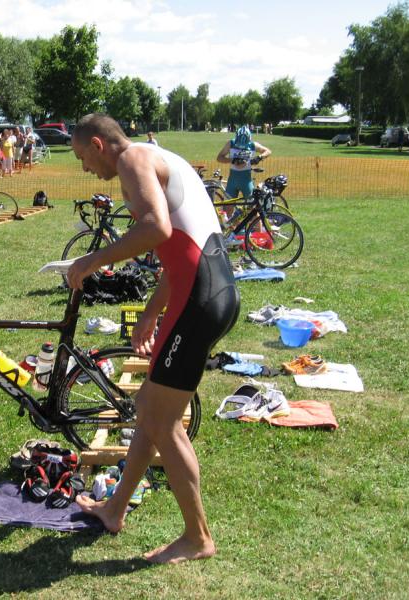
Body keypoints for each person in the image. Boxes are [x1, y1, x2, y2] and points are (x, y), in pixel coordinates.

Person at [67, 113, 239, 565]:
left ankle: (197, 538)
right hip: (205, 293)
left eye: (82, 157)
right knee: (149, 408)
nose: (85, 168)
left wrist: (91, 260)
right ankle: (114, 510)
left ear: (99, 145)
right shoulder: (157, 157)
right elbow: (180, 248)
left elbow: (156, 230)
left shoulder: (133, 160)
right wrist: (149, 313)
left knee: (163, 421)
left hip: (200, 300)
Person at [216, 125, 271, 200]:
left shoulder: (253, 145)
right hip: (232, 181)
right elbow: (219, 158)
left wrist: (259, 157)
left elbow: (268, 151)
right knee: (228, 205)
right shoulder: (230, 143)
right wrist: (232, 160)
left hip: (246, 181)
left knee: (251, 205)